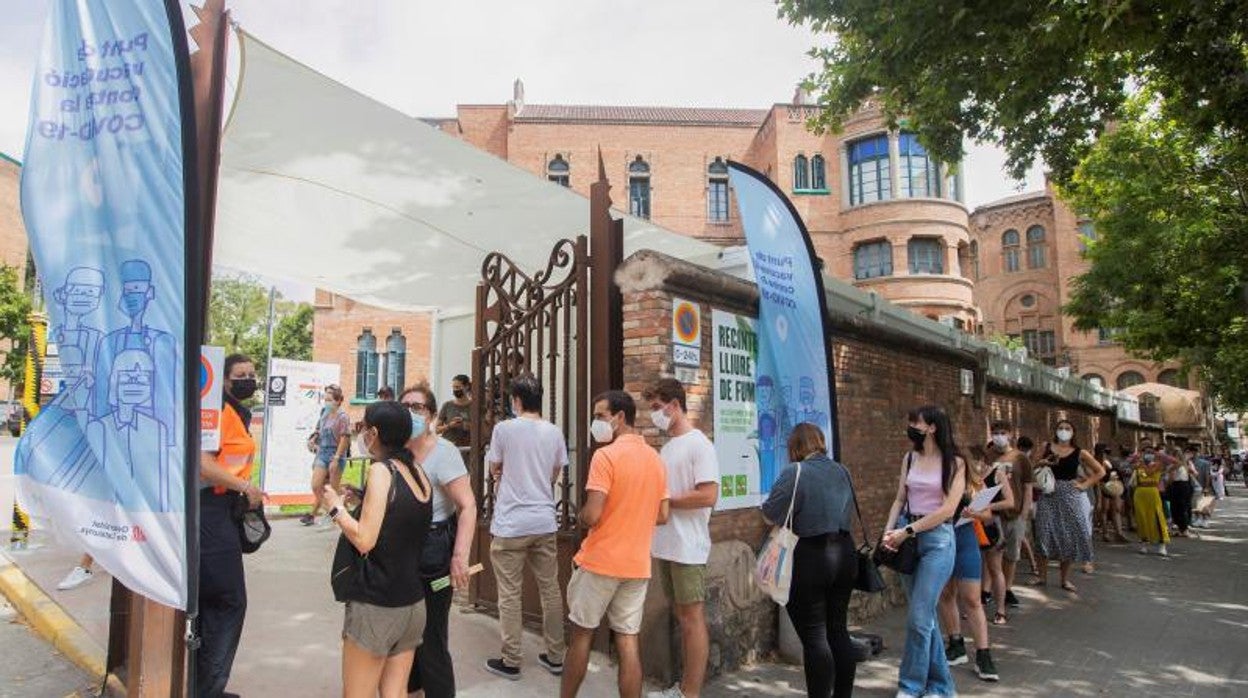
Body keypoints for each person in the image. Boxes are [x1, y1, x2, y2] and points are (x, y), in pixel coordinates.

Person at [561, 390, 669, 698]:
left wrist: (581, 515)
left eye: (599, 416)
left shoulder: (605, 456)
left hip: (600, 562)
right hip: (636, 565)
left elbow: (593, 514)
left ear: (619, 417)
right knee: (628, 641)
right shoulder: (655, 459)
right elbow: (662, 515)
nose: (596, 423)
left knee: (581, 636)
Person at [323, 400, 432, 698]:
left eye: (363, 429)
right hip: (411, 604)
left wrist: (335, 509)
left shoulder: (381, 471)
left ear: (373, 433)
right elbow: (400, 520)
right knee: (395, 693)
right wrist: (363, 499)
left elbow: (365, 540)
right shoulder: (418, 473)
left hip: (377, 604)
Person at [760, 423, 857, 698]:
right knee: (838, 631)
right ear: (820, 441)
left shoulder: (796, 472)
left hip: (811, 556)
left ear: (795, 447)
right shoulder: (843, 470)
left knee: (815, 637)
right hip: (845, 553)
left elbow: (771, 514)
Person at [484, 374, 569, 680]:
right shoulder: (554, 432)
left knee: (509, 594)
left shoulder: (504, 429)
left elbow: (495, 466)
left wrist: (503, 476)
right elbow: (555, 471)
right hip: (544, 520)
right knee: (550, 590)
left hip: (510, 523)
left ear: (516, 401)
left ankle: (512, 660)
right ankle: (556, 656)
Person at [881, 405, 967, 698]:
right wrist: (889, 531)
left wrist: (906, 532)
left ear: (932, 427)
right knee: (925, 618)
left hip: (937, 540)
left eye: (915, 422)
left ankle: (910, 685)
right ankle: (941, 687)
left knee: (919, 618)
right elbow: (899, 499)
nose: (911, 426)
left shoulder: (955, 463)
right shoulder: (910, 458)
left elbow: (947, 510)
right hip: (907, 534)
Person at [400, 383, 477, 698]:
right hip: (401, 551)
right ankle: (412, 688)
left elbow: (467, 506)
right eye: (404, 406)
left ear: (431, 415)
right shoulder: (397, 450)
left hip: (435, 551)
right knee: (405, 630)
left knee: (432, 635)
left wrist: (459, 557)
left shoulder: (444, 452)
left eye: (417, 407)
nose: (410, 412)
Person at [197, 353, 267, 697]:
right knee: (229, 600)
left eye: (252, 374)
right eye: (240, 374)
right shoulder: (217, 412)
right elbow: (202, 465)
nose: (248, 379)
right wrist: (245, 487)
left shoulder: (237, 413)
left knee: (214, 601)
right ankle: (208, 689)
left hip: (224, 509)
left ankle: (203, 684)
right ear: (223, 380)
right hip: (209, 508)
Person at [644, 378, 719, 698]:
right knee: (682, 616)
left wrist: (665, 499)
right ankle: (682, 687)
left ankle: (690, 693)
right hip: (666, 544)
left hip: (688, 547)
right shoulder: (669, 445)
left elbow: (708, 495)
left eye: (658, 408)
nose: (655, 415)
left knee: (691, 619)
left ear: (675, 405)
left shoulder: (698, 443)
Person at [938, 446, 1005, 683]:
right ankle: (955, 644)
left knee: (972, 599)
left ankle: (983, 654)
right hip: (944, 541)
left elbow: (987, 515)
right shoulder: (937, 479)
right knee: (946, 593)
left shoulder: (973, 483)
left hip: (965, 541)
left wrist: (974, 514)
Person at [1029, 420, 1105, 592]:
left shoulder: (1080, 452)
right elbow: (1031, 465)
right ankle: (1041, 576)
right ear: (1055, 431)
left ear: (1073, 432)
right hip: (1048, 493)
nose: (1064, 431)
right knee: (1043, 533)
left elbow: (1100, 471)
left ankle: (1065, 579)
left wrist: (1085, 485)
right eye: (1060, 428)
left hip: (1070, 494)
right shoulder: (1046, 447)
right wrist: (1042, 463)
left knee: (1069, 536)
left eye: (1067, 428)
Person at [983, 420, 1032, 610]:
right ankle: (986, 591)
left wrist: (1024, 513)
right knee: (991, 554)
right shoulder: (987, 456)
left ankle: (1008, 588)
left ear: (1010, 434)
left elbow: (1027, 487)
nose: (999, 436)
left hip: (1015, 513)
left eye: (1003, 432)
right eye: (995, 432)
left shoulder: (1020, 458)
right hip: (992, 513)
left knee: (1012, 555)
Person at [303, 385, 351, 526]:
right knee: (316, 485)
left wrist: (336, 459)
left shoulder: (343, 417)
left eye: (329, 399)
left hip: (335, 454)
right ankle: (334, 512)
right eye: (325, 399)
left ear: (338, 401)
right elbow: (319, 429)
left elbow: (345, 439)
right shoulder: (324, 412)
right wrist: (314, 438)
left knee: (332, 490)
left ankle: (339, 515)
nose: (326, 402)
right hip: (322, 452)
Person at [1127, 439, 1172, 555]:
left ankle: (1162, 544)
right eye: (1145, 451)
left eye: (1150, 452)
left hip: (1153, 492)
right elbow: (1127, 463)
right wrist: (1138, 454)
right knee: (1141, 518)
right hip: (1139, 493)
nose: (1148, 454)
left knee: (1157, 517)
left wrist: (1159, 454)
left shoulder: (1158, 465)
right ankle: (1144, 543)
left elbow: (1173, 461)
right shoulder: (1138, 465)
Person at [1015, 435, 1040, 576]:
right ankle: (1033, 563)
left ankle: (1033, 564)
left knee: (1022, 536)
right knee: (1022, 535)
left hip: (1022, 504)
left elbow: (1031, 485)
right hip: (1023, 503)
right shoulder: (1024, 461)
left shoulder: (1021, 462)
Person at [1096, 444, 1129, 543]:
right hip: (1102, 485)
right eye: (1104, 452)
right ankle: (1105, 533)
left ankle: (1119, 533)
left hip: (1114, 484)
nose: (1106, 454)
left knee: (1116, 509)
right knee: (1104, 509)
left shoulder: (1112, 461)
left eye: (1107, 452)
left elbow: (1115, 473)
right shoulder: (1095, 461)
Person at [1167, 446, 1199, 537]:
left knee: (1177, 508)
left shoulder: (1175, 464)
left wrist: (1166, 484)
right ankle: (1183, 528)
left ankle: (1183, 529)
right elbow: (1194, 473)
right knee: (1183, 507)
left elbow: (1171, 477)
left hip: (1177, 486)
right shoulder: (1185, 463)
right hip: (1185, 486)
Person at [436, 374, 473, 450]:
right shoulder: (447, 405)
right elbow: (436, 430)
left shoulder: (473, 406)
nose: (455, 390)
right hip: (448, 447)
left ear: (466, 387)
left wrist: (466, 425)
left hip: (467, 449)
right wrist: (449, 426)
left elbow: (480, 428)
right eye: (453, 387)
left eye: (458, 387)